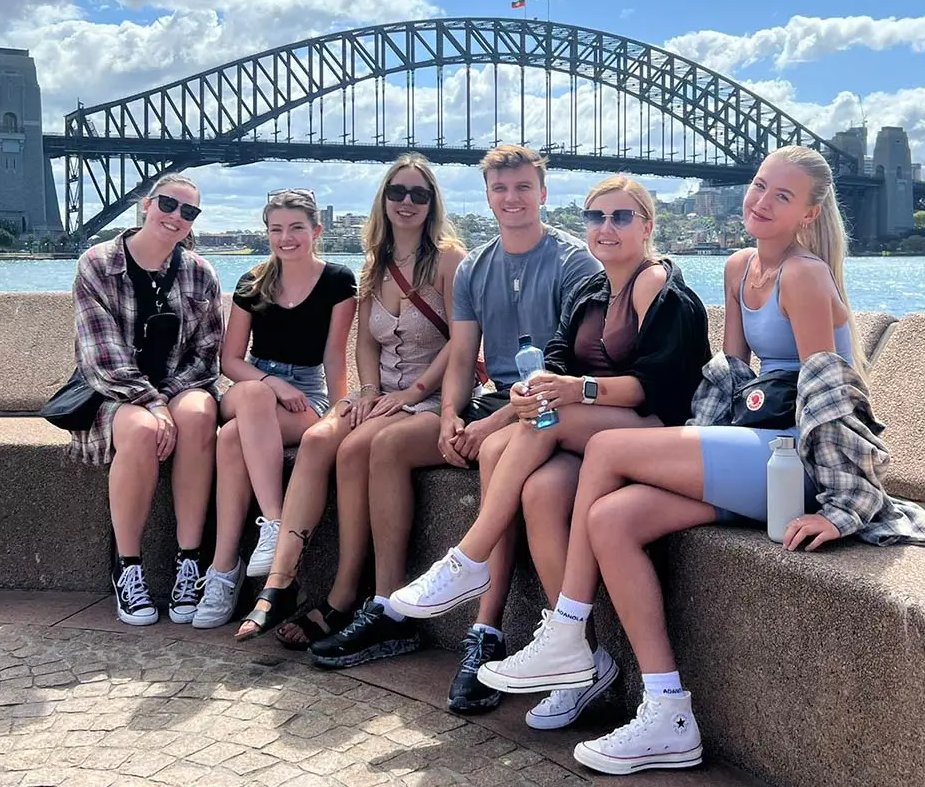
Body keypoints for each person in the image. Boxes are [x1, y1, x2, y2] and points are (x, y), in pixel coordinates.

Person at [461, 146, 883, 775]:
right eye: (760, 186)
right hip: (753, 445)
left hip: (798, 462)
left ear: (809, 212)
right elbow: (736, 380)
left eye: (782, 197)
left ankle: (568, 628)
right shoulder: (740, 267)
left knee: (605, 445)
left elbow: (831, 395)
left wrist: (844, 509)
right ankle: (668, 712)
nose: (761, 203)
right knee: (611, 520)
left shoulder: (804, 274)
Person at [388, 176, 711, 730]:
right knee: (539, 488)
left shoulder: (661, 288)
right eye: (595, 217)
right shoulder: (590, 292)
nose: (605, 228)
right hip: (592, 432)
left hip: (660, 430)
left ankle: (469, 559)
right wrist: (529, 388)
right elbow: (557, 363)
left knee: (548, 417)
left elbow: (660, 387)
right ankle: (577, 661)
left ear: (648, 226)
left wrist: (574, 392)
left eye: (621, 217)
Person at [313, 145, 600, 715]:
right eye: (501, 189)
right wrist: (448, 416)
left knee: (495, 449)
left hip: (549, 405)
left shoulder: (574, 264)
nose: (512, 199)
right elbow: (465, 350)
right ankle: (392, 608)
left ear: (543, 193)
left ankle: (484, 630)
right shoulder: (475, 267)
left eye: (523, 188)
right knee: (390, 443)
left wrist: (488, 420)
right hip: (492, 399)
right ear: (487, 196)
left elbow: (569, 371)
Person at [230, 155, 464, 646]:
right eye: (396, 192)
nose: (406, 202)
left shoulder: (447, 260)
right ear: (383, 200)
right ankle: (280, 584)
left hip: (434, 395)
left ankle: (353, 598)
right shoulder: (374, 266)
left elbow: (464, 343)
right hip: (383, 394)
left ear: (432, 203)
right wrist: (369, 391)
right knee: (318, 439)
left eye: (419, 194)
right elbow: (365, 345)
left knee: (359, 448)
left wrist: (409, 393)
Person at [191, 189, 356, 629]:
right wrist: (273, 383)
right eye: (276, 229)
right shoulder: (252, 282)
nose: (286, 238)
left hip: (307, 393)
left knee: (230, 438)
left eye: (296, 227)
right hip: (254, 384)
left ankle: (222, 571)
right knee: (255, 397)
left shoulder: (339, 282)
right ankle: (275, 523)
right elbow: (230, 361)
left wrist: (338, 411)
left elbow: (336, 356)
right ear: (267, 232)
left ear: (316, 231)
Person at [69, 172, 223, 627]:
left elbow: (207, 357)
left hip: (177, 388)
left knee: (198, 415)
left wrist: (169, 399)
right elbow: (101, 359)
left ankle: (189, 562)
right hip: (112, 391)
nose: (176, 217)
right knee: (139, 429)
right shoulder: (97, 263)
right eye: (168, 205)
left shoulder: (200, 273)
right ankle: (128, 566)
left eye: (188, 212)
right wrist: (152, 404)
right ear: (145, 205)